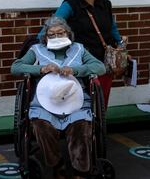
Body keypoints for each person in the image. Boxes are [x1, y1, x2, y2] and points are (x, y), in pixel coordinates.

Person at [12, 16, 106, 179]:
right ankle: (56, 164)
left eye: (60, 33)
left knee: (81, 127)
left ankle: (80, 169)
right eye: (51, 34)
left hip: (76, 101)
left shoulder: (79, 49)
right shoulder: (36, 50)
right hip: (44, 103)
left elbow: (100, 67)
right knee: (41, 126)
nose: (56, 37)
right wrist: (42, 69)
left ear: (68, 34)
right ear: (45, 37)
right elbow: (16, 67)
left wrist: (76, 70)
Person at [40, 0, 122, 108]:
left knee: (103, 95)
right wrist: (40, 42)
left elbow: (112, 26)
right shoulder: (70, 5)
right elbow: (53, 24)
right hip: (82, 58)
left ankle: (99, 125)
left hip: (105, 57)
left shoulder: (105, 4)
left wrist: (120, 43)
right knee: (84, 96)